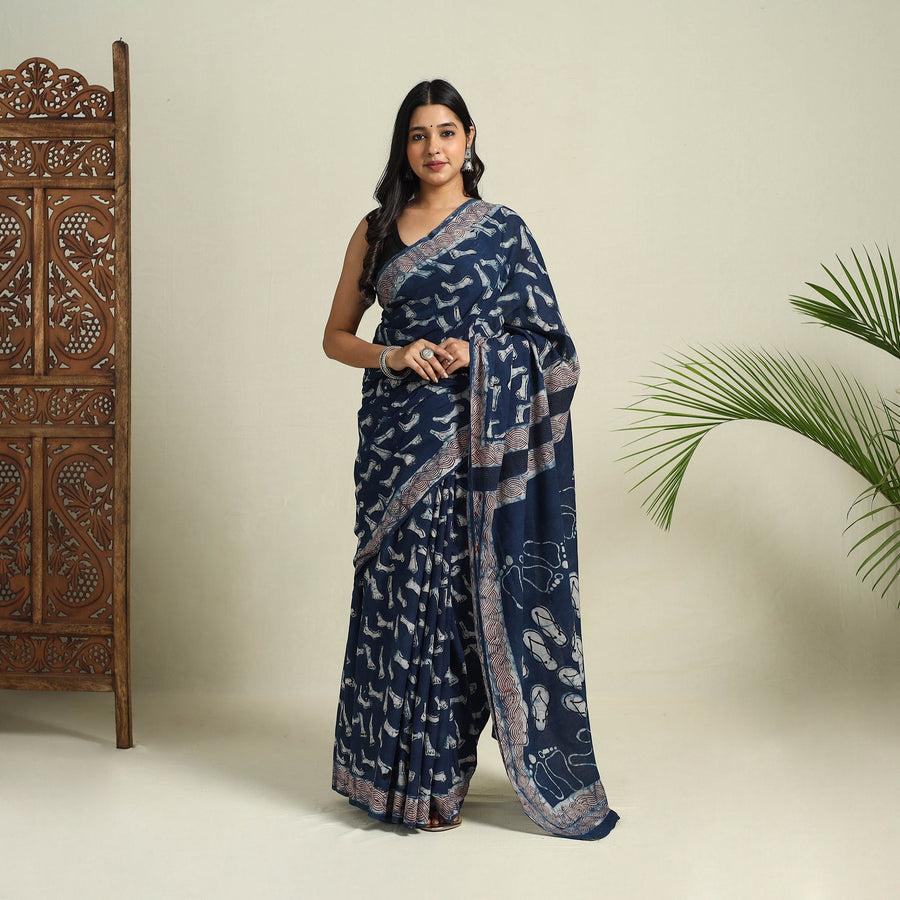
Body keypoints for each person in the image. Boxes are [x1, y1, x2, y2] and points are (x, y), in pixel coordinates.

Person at [323, 79, 618, 839]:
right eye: (419, 135)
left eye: (446, 132)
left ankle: (439, 779)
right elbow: (336, 337)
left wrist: (478, 352)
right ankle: (387, 779)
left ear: (470, 139)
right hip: (397, 442)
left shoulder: (504, 231)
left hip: (476, 439)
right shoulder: (376, 230)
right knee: (397, 597)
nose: (434, 148)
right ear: (404, 146)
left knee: (456, 605)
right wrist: (394, 354)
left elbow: (553, 347)